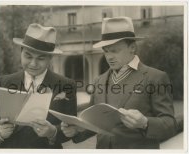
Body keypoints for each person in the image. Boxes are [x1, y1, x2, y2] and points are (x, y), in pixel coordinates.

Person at [61, 17, 178, 149]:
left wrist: (145, 123)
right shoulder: (99, 80)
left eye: (115, 51)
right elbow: (96, 124)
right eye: (106, 51)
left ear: (132, 48)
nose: (109, 57)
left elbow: (170, 125)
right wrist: (78, 130)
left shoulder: (155, 77)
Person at [0, 23, 77, 148]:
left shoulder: (67, 85)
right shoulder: (4, 82)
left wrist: (53, 132)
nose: (33, 63)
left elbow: (71, 129)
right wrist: (0, 133)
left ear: (50, 58)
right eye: (28, 56)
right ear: (21, 52)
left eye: (41, 58)